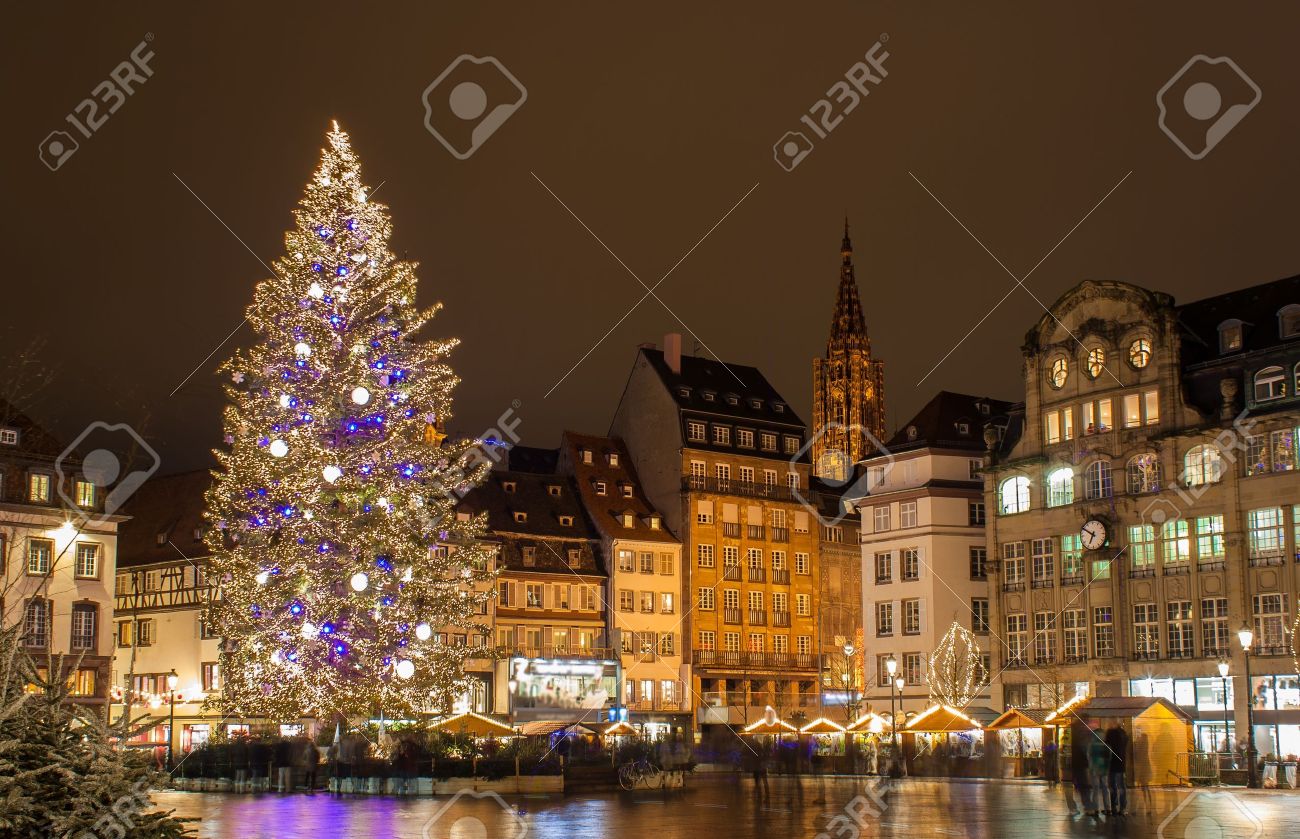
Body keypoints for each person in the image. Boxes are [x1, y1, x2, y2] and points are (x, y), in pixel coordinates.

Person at [1104, 724, 1128, 815]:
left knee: (1113, 786)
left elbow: (1106, 746)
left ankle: (1114, 806)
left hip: (1112, 765)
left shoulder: (1110, 733)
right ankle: (1122, 808)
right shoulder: (1123, 734)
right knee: (1121, 787)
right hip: (1121, 765)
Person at [1069, 719, 1092, 816]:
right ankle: (1088, 807)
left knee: (1069, 787)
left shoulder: (1071, 731)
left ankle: (1073, 808)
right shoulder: (1082, 733)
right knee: (1084, 786)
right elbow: (1085, 748)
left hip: (1072, 763)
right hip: (1081, 763)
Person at [1086, 722, 1109, 817]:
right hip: (1104, 769)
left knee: (1095, 789)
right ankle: (1108, 808)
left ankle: (1096, 809)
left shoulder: (1091, 744)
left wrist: (1091, 767)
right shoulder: (1105, 744)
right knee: (1105, 788)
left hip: (1094, 769)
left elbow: (1089, 756)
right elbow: (1109, 757)